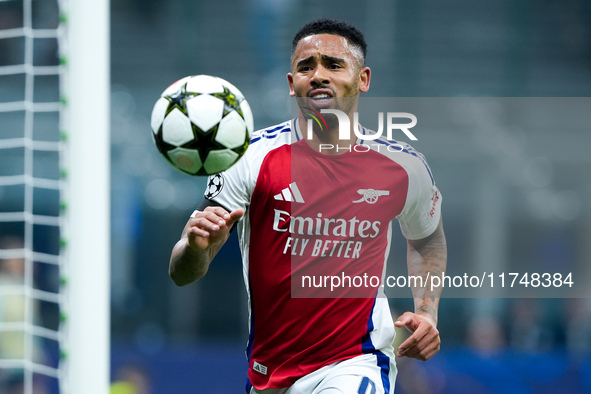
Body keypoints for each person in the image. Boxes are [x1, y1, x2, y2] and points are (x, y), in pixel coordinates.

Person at [169, 18, 447, 394]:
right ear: (291, 83)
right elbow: (184, 272)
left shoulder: (403, 167)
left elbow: (427, 239)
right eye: (306, 67)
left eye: (333, 65)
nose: (318, 75)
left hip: (356, 360)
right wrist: (194, 247)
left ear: (362, 79)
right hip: (271, 371)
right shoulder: (248, 158)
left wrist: (427, 310)